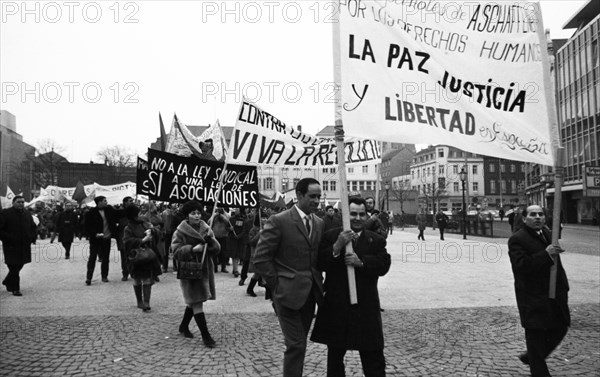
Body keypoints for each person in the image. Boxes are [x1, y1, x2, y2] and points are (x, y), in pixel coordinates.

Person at [311, 196, 391, 376]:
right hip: (338, 305)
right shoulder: (332, 236)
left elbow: (384, 264)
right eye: (353, 213)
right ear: (345, 214)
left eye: (362, 214)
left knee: (373, 358)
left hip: (366, 306)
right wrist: (337, 246)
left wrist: (361, 262)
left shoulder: (375, 240)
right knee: (335, 359)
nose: (357, 218)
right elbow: (320, 263)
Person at [253, 178, 325, 377]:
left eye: (319, 196)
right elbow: (260, 258)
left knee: (299, 344)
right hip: (286, 295)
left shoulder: (319, 223)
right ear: (299, 195)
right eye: (312, 196)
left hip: (310, 296)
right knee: (296, 344)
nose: (317, 201)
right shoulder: (279, 221)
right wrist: (277, 286)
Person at [508, 205, 570, 377]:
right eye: (533, 214)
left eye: (541, 214)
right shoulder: (517, 239)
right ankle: (538, 368)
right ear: (524, 218)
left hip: (553, 293)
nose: (537, 218)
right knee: (535, 335)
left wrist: (563, 286)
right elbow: (522, 266)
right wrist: (546, 253)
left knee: (561, 327)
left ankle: (532, 357)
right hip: (532, 295)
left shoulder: (548, 233)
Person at [171, 200, 221, 347]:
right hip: (190, 269)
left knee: (194, 300)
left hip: (204, 269)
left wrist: (211, 242)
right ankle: (206, 337)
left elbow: (217, 249)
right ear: (187, 215)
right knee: (197, 301)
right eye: (193, 213)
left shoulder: (207, 228)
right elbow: (175, 252)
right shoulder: (180, 231)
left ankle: (183, 326)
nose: (197, 216)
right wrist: (192, 249)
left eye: (199, 213)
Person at [123, 205, 162, 312]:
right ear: (133, 216)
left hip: (147, 256)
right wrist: (142, 240)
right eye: (139, 213)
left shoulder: (145, 223)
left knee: (147, 278)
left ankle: (147, 302)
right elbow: (127, 242)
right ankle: (139, 301)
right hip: (135, 257)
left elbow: (158, 234)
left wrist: (152, 230)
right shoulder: (128, 228)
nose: (141, 215)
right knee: (137, 279)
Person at [0, 196, 37, 296]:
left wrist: (32, 237)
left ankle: (8, 280)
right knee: (13, 266)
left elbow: (33, 227)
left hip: (24, 245)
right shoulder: (6, 213)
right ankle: (15, 289)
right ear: (13, 203)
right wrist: (8, 238)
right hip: (11, 245)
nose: (21, 204)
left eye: (22, 202)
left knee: (19, 264)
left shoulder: (27, 213)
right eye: (18, 202)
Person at [84, 196, 118, 285]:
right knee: (92, 258)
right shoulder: (91, 213)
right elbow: (87, 226)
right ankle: (89, 277)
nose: (106, 202)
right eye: (104, 201)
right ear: (99, 202)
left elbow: (119, 214)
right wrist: (94, 234)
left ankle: (104, 276)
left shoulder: (109, 210)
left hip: (106, 238)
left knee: (106, 258)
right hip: (95, 239)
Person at [116, 196, 135, 281]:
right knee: (124, 257)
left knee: (134, 256)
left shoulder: (135, 211)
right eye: (130, 201)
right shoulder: (121, 213)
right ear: (125, 202)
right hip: (123, 238)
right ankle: (125, 273)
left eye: (132, 201)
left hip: (133, 238)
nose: (132, 202)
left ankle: (134, 272)